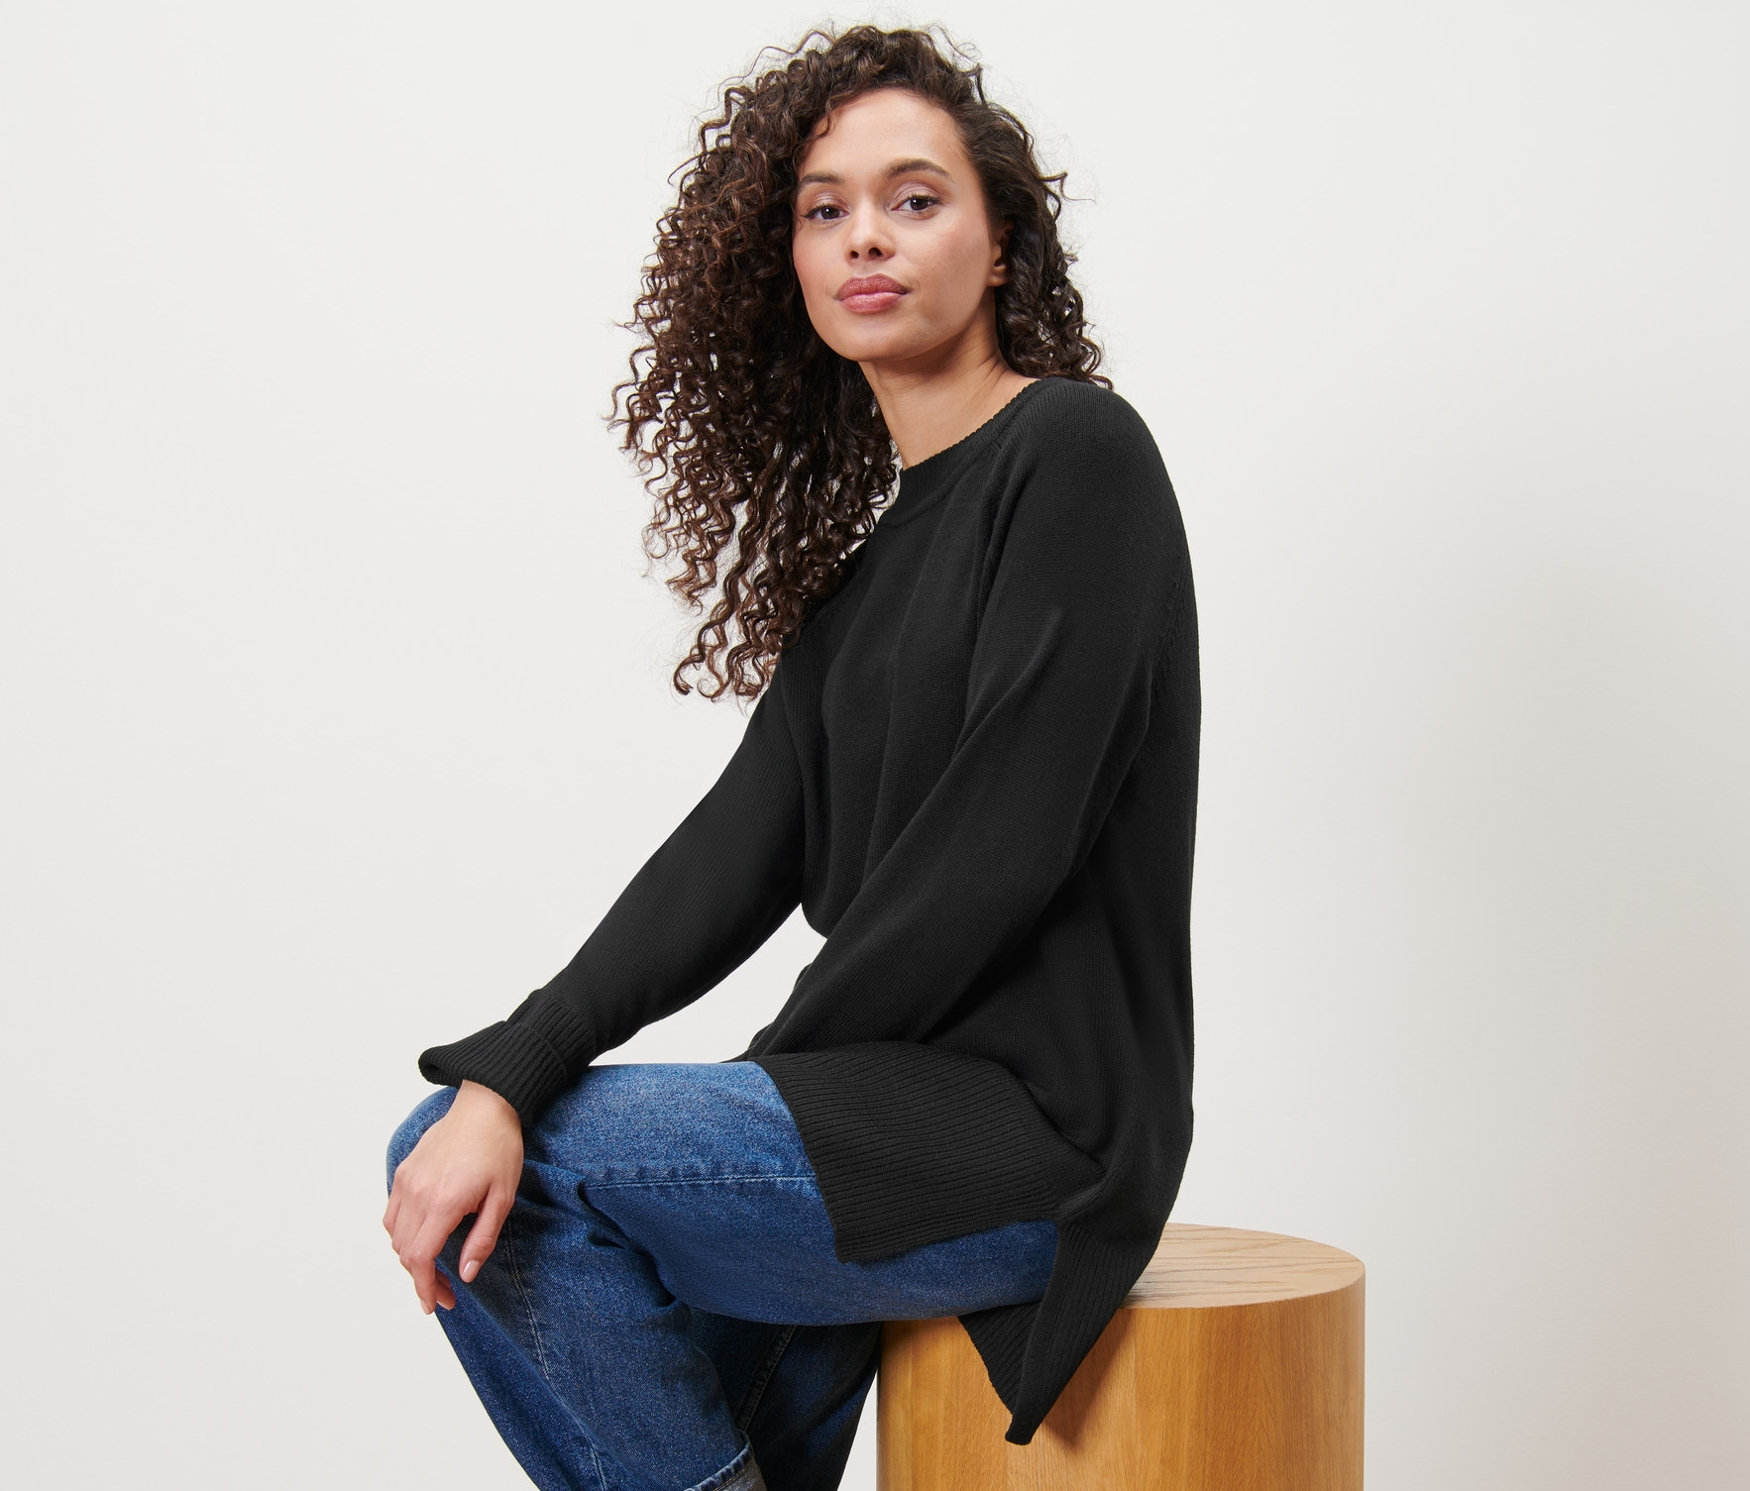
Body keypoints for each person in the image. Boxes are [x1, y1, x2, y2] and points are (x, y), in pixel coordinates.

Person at [383, 21, 1200, 1491]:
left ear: (1001, 246)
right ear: (792, 266)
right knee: (489, 1148)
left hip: (1029, 1135)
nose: (863, 237)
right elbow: (727, 858)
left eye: (914, 198)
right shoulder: (869, 577)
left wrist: (767, 1072)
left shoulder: (1076, 455)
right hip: (868, 1110)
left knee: (526, 1171)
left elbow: (1003, 846)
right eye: (825, 210)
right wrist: (513, 1064)